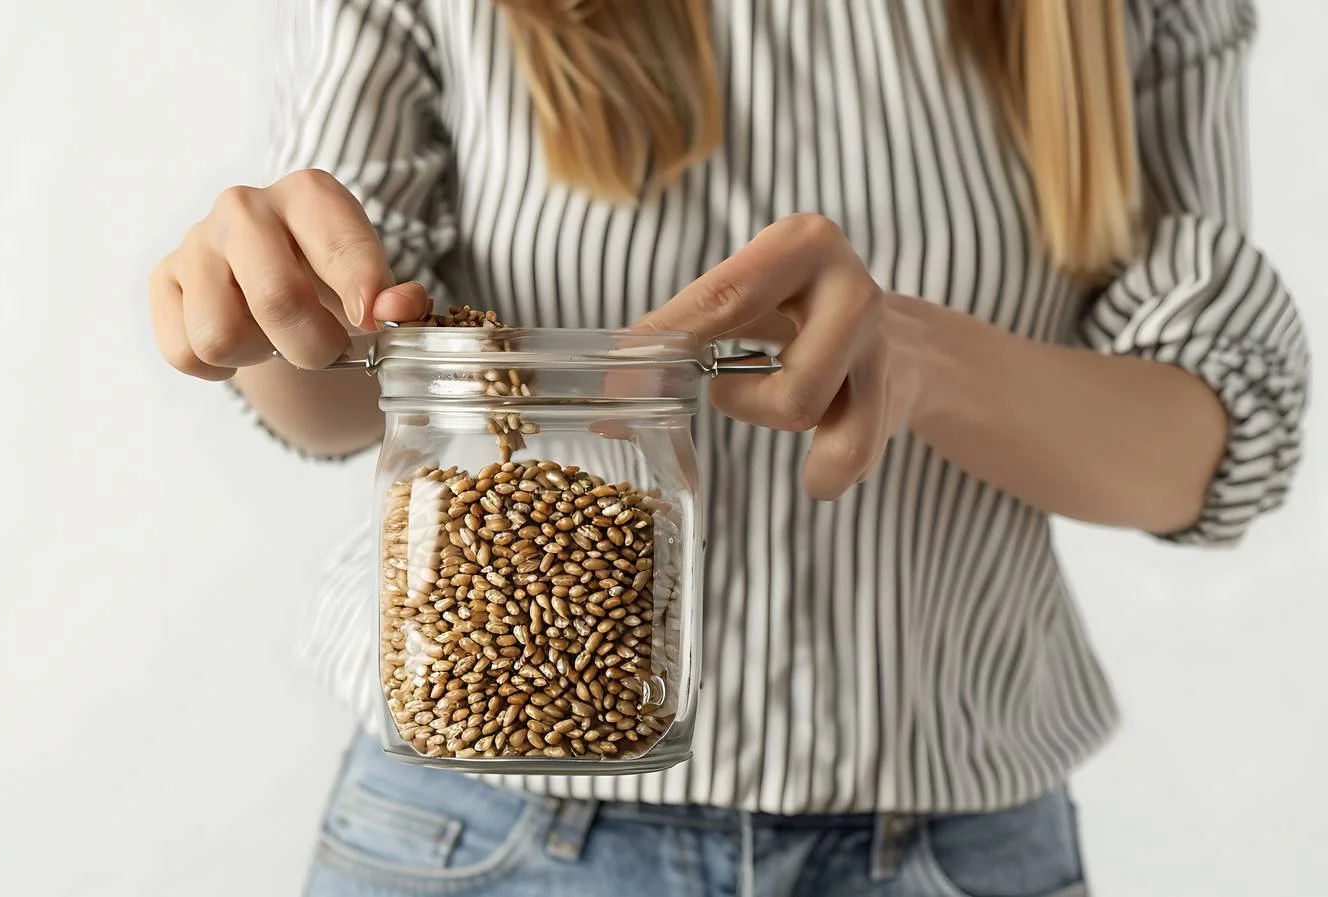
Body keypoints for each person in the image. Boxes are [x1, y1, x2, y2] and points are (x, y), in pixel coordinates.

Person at [148, 0, 1310, 894]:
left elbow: (1208, 439)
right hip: (483, 828)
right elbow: (350, 385)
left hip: (954, 843)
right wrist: (267, 314)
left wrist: (919, 357)